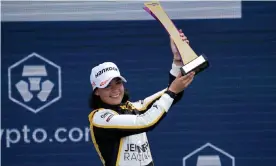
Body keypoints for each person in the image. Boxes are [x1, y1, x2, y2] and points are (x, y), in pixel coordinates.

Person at [88, 29, 195, 166]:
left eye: (118, 82)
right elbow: (145, 122)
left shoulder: (133, 107)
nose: (115, 89)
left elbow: (172, 94)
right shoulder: (100, 119)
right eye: (107, 85)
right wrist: (173, 90)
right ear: (96, 91)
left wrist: (177, 62)